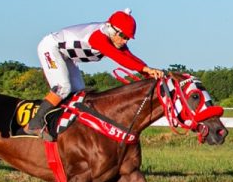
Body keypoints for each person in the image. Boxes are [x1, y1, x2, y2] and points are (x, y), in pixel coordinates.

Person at [25, 9, 166, 135]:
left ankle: (61, 123)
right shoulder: (98, 38)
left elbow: (129, 56)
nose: (125, 40)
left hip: (66, 55)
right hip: (50, 48)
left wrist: (148, 71)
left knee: (79, 92)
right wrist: (145, 69)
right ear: (112, 30)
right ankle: (34, 123)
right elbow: (119, 58)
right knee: (63, 87)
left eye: (128, 38)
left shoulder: (113, 36)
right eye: (123, 36)